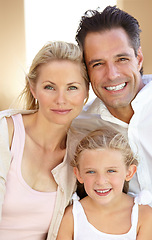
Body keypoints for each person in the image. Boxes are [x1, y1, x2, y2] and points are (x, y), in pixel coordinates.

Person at [74, 5, 152, 240]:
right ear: (86, 71)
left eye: (122, 59)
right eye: (98, 64)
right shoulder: (80, 125)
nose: (112, 74)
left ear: (139, 57)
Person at [0, 41, 89, 240]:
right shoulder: (5, 132)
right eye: (50, 87)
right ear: (33, 89)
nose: (61, 99)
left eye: (72, 87)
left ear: (86, 93)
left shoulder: (82, 153)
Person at [56, 128, 152, 240]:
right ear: (78, 174)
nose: (100, 181)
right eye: (91, 172)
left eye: (111, 171)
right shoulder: (71, 216)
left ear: (129, 172)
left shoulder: (144, 215)